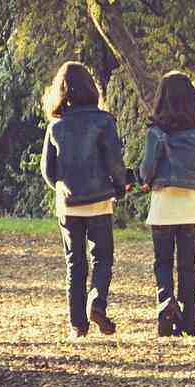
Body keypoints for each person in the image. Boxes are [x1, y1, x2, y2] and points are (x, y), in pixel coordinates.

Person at [40, 61, 129, 338]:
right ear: (92, 87)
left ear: (60, 91)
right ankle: (97, 301)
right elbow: (114, 162)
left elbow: (47, 170)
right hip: (99, 201)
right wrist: (120, 186)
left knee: (75, 264)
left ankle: (77, 326)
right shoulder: (104, 121)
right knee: (102, 258)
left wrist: (63, 188)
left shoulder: (56, 126)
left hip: (68, 205)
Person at [137, 71, 195, 337]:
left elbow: (146, 171)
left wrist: (144, 180)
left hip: (162, 208)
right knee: (186, 267)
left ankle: (166, 305)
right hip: (189, 210)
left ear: (162, 100)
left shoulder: (155, 134)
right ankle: (188, 322)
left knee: (162, 263)